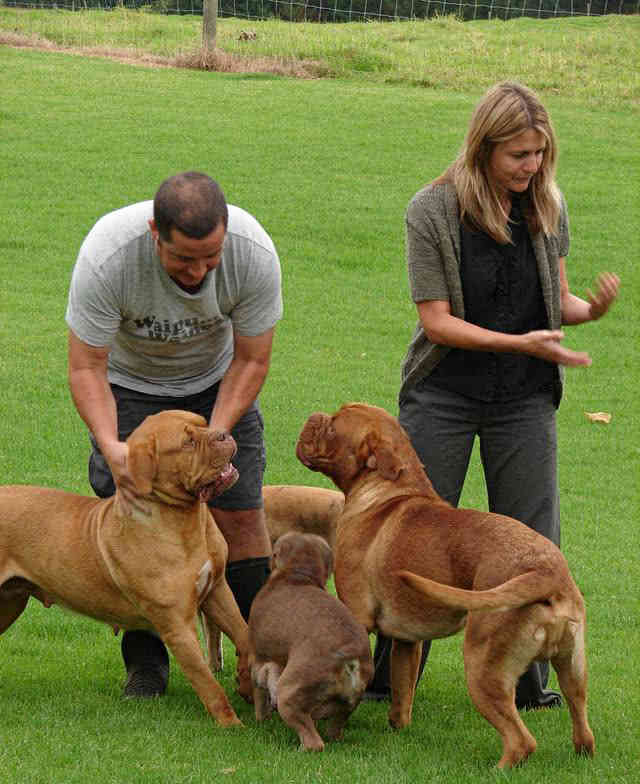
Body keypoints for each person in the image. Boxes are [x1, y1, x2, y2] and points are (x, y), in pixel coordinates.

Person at [367, 82, 619, 708]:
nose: (531, 167)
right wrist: (521, 343)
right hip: (443, 392)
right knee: (415, 531)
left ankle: (529, 682)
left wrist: (589, 309)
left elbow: (557, 300)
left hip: (524, 398)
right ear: (483, 149)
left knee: (531, 536)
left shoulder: (547, 205)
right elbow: (436, 322)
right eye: (518, 156)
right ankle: (383, 682)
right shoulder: (430, 210)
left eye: (539, 154)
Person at [66, 171, 283, 698]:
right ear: (153, 233)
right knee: (135, 526)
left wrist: (215, 438)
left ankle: (265, 666)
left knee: (242, 516)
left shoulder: (252, 252)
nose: (199, 271)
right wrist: (113, 444)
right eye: (184, 259)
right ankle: (146, 666)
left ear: (226, 233)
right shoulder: (108, 255)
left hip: (218, 385)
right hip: (131, 386)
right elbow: (86, 369)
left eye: (211, 257)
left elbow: (253, 358)